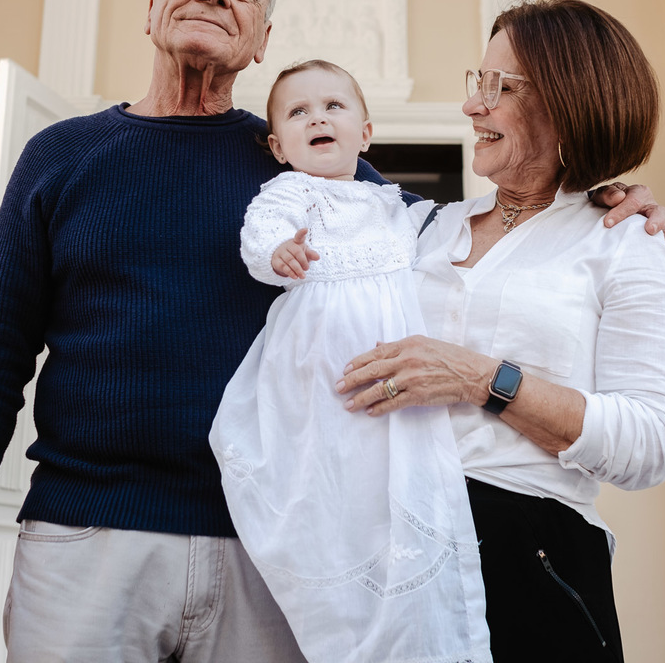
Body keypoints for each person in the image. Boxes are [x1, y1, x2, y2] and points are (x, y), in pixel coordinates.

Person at [0, 0, 665, 663]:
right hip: (86, 529)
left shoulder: (305, 167)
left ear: (262, 40)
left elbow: (446, 226)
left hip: (270, 544)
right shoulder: (60, 157)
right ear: (151, 11)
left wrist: (600, 192)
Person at [337, 0, 665, 662]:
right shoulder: (418, 227)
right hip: (380, 556)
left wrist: (483, 379)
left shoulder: (626, 245)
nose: (475, 105)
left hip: (530, 560)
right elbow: (301, 165)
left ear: (570, 100)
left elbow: (654, 440)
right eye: (478, 83)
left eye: (500, 86)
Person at [209, 60, 489, 663]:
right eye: (299, 111)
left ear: (364, 134)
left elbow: (469, 227)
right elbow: (259, 237)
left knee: (390, 488)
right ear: (278, 146)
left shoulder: (395, 206)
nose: (318, 118)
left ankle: (405, 624)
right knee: (322, 479)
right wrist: (278, 253)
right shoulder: (286, 193)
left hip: (391, 373)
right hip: (316, 370)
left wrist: (582, 201)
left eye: (334, 106)